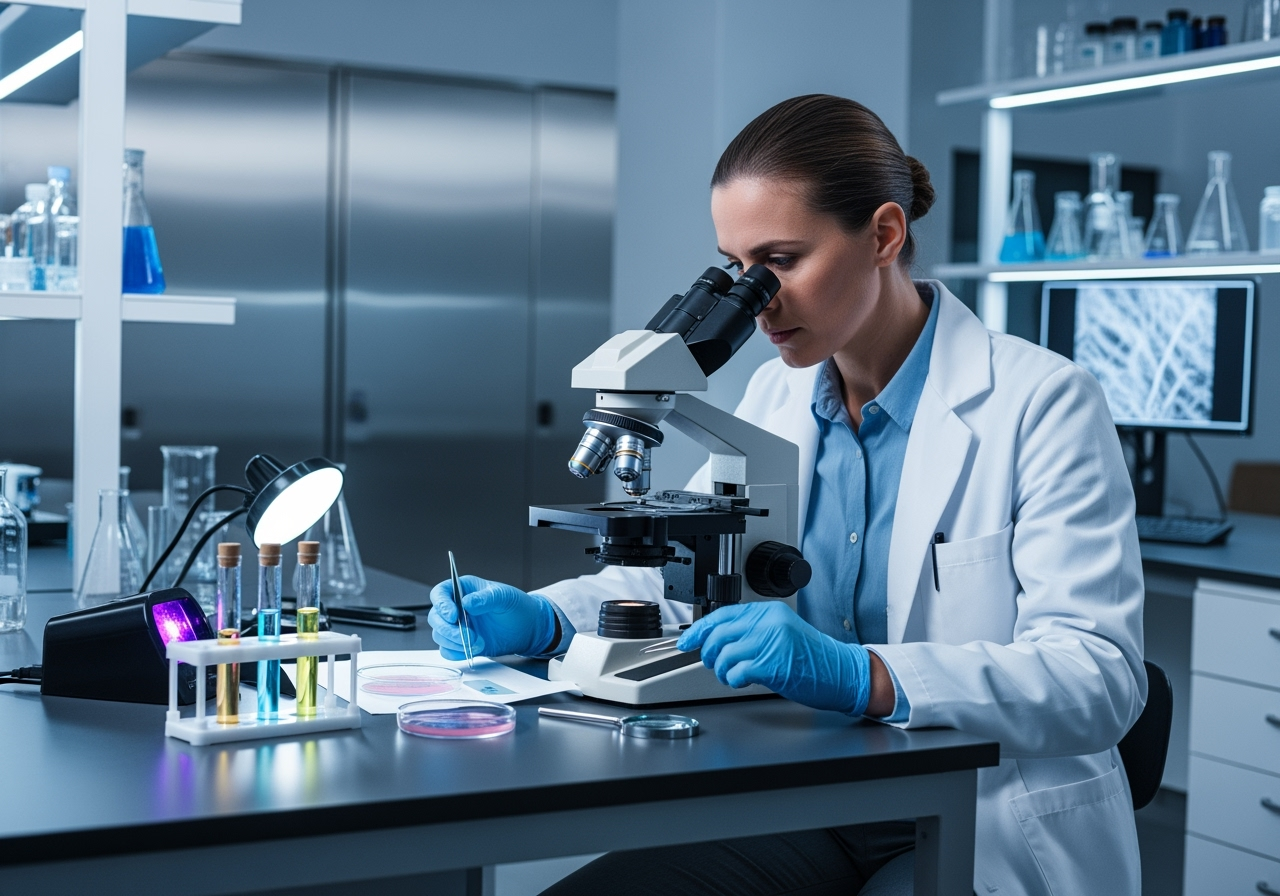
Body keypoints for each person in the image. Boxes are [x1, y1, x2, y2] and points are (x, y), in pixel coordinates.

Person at [428, 94, 1146, 896]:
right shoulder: (775, 397)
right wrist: (550, 616)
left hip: (977, 813)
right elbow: (683, 574)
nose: (757, 297)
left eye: (781, 261)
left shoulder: (1041, 402)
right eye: (736, 271)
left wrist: (863, 676)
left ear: (883, 234)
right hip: (803, 802)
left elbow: (1099, 677)